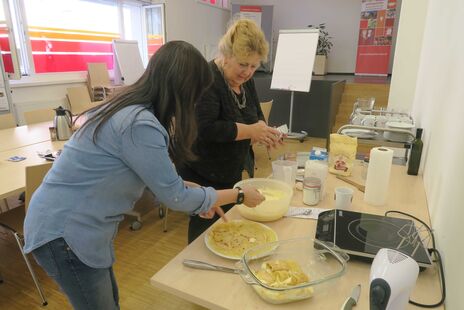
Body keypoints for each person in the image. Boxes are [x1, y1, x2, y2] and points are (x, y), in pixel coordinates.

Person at [23, 41, 264, 310]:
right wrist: (239, 195)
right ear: (181, 90)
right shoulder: (139, 123)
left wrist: (192, 190)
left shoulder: (133, 109)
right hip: (63, 231)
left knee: (109, 301)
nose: (195, 102)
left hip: (79, 226)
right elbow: (175, 197)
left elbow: (154, 179)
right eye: (195, 94)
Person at [178, 19, 283, 243]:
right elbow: (206, 128)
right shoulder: (206, 78)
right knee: (204, 234)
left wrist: (264, 131)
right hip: (203, 172)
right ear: (226, 54)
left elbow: (255, 113)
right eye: (243, 64)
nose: (248, 72)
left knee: (226, 232)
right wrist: (250, 132)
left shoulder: (244, 80)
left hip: (228, 170)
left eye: (254, 66)